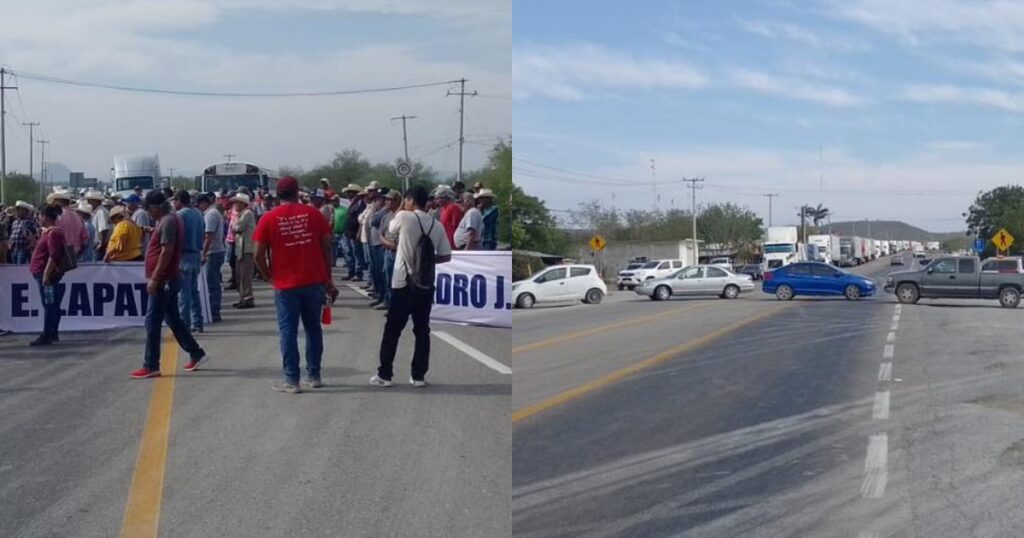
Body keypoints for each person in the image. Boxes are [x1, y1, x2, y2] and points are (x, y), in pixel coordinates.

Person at [253, 176, 337, 394]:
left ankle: (291, 380)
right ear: (297, 192)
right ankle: (314, 375)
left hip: (285, 285)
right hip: (314, 281)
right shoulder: (314, 214)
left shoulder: (269, 218)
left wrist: (268, 276)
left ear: (277, 194)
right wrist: (328, 278)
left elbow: (257, 254)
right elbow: (327, 247)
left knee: (288, 332)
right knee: (313, 329)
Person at [370, 185, 452, 388]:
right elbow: (446, 255)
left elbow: (390, 230)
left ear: (411, 201)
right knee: (422, 330)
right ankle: (418, 376)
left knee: (393, 330)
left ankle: (385, 375)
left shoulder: (404, 217)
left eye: (406, 200)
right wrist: (424, 261)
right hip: (425, 284)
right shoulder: (437, 225)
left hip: (403, 282)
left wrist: (400, 210)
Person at [131, 191, 208, 379]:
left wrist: (156, 278)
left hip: (164, 279)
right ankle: (195, 351)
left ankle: (151, 365)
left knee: (152, 322)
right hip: (170, 277)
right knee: (173, 318)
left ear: (156, 207)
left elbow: (166, 251)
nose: (148, 212)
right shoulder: (170, 220)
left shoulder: (167, 222)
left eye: (148, 208)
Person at [29, 205, 68, 347]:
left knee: (49, 304)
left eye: (40, 215)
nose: (39, 218)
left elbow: (54, 255)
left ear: (46, 217)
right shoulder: (49, 233)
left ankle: (48, 334)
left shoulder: (54, 233)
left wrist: (46, 274)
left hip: (46, 274)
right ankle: (52, 333)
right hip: (42, 272)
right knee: (52, 304)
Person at [172, 191, 206, 332]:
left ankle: (184, 325)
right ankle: (198, 322)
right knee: (194, 292)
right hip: (196, 255)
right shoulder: (198, 213)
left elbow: (176, 237)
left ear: (179, 200)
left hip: (183, 256)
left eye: (175, 200)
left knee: (184, 295)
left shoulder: (180, 215)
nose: (174, 204)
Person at [197, 194, 225, 322]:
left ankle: (214, 311)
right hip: (214, 251)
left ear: (204, 203)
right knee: (212, 282)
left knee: (212, 284)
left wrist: (203, 253)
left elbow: (209, 235)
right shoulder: (212, 213)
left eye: (199, 205)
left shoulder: (211, 214)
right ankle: (213, 310)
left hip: (213, 252)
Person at [377, 189, 402, 309]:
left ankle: (397, 305)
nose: (387, 202)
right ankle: (389, 302)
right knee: (387, 278)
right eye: (387, 199)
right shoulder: (385, 217)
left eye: (390, 200)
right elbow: (380, 234)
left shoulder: (402, 215)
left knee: (398, 280)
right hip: (388, 250)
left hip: (400, 251)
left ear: (397, 201)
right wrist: (387, 243)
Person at [231, 193, 256, 309]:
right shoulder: (241, 214)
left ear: (242, 203)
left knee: (245, 275)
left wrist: (233, 226)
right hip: (241, 248)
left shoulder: (247, 213)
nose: (234, 204)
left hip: (246, 248)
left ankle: (247, 298)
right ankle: (243, 297)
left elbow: (237, 227)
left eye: (237, 202)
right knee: (240, 275)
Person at [48, 192, 89, 258]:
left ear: (58, 202)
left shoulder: (57, 217)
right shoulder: (78, 217)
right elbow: (84, 237)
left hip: (59, 253)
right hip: (74, 253)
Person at [342, 184, 367, 281]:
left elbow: (360, 219)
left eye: (350, 192)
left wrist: (359, 232)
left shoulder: (360, 203)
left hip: (354, 232)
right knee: (349, 253)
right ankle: (351, 272)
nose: (348, 194)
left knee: (357, 254)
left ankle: (358, 273)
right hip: (348, 232)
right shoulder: (352, 203)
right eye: (348, 192)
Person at [8, 201, 38, 265]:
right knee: (14, 267)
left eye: (18, 209)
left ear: (24, 210)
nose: (16, 211)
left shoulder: (30, 222)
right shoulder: (15, 222)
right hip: (14, 249)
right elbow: (12, 234)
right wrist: (10, 242)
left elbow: (35, 234)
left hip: (23, 249)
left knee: (20, 268)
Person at [85, 191, 111, 259]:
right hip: (96, 244)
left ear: (96, 201)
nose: (88, 202)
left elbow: (104, 229)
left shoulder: (101, 212)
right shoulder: (97, 211)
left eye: (90, 200)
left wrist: (101, 245)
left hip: (98, 245)